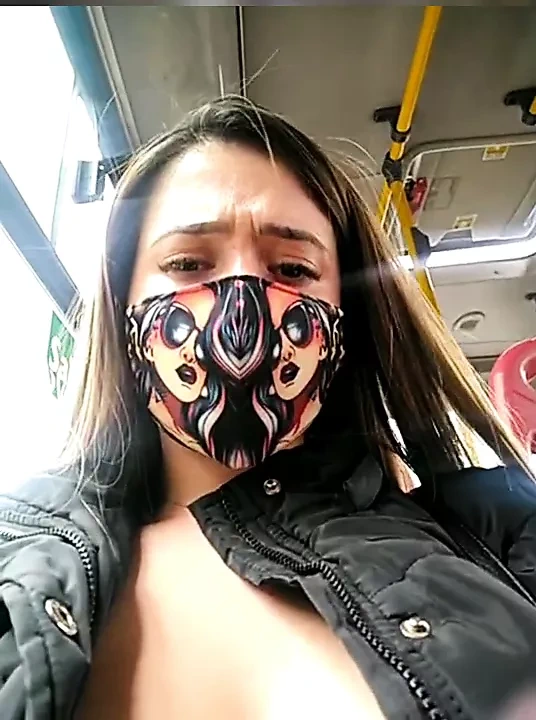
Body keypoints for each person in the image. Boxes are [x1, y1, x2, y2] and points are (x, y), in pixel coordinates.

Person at [1, 96, 536, 720]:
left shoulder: (499, 532)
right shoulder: (18, 565)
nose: (241, 310)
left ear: (345, 321)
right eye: (186, 263)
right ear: (123, 307)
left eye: (292, 268)